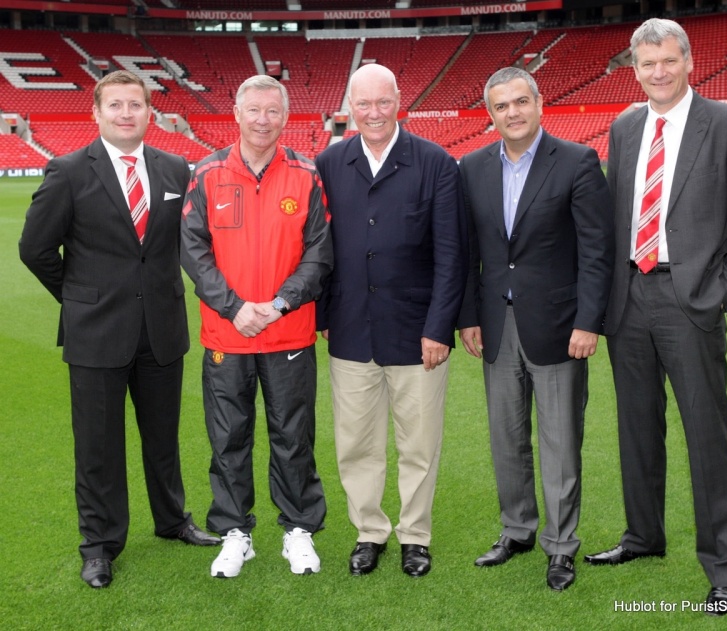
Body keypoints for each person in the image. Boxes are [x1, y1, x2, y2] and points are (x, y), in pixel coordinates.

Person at [583, 19, 727, 616]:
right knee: (637, 429)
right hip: (629, 300)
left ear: (689, 61)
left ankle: (725, 570)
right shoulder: (625, 126)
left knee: (707, 437)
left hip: (690, 301)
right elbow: (615, 219)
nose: (658, 72)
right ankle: (643, 535)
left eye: (668, 60)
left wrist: (717, 295)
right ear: (635, 69)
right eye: (647, 63)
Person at [18, 70, 220, 590]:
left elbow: (186, 243)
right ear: (97, 112)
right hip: (96, 332)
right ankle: (100, 545)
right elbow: (35, 249)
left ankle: (172, 520)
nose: (126, 113)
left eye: (135, 104)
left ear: (150, 112)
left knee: (163, 437)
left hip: (162, 329)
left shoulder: (173, 167)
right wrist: (79, 296)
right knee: (98, 447)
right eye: (116, 105)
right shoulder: (67, 171)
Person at [457, 67, 614, 592]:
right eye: (501, 106)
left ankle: (561, 545)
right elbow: (469, 251)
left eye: (521, 101)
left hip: (560, 326)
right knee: (506, 438)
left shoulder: (577, 161)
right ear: (491, 115)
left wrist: (589, 321)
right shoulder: (472, 167)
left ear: (540, 103)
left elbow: (596, 251)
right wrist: (468, 315)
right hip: (497, 325)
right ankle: (517, 529)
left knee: (560, 443)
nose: (513, 113)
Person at [315, 63, 468, 578]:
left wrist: (438, 328)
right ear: (350, 107)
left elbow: (452, 255)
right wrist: (324, 315)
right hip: (350, 329)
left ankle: (415, 535)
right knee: (356, 445)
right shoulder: (329, 163)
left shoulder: (435, 162)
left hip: (416, 332)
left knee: (418, 446)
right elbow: (318, 247)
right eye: (363, 103)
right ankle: (369, 532)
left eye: (383, 102)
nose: (374, 113)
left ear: (400, 101)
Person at [181, 75, 332, 579]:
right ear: (237, 114)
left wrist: (282, 303)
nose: (263, 120)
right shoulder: (207, 173)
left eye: (272, 111)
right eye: (254, 110)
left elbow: (320, 251)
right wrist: (234, 307)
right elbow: (193, 250)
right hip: (228, 335)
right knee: (229, 437)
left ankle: (298, 528)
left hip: (289, 332)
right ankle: (234, 533)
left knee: (293, 435)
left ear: (285, 117)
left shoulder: (307, 174)